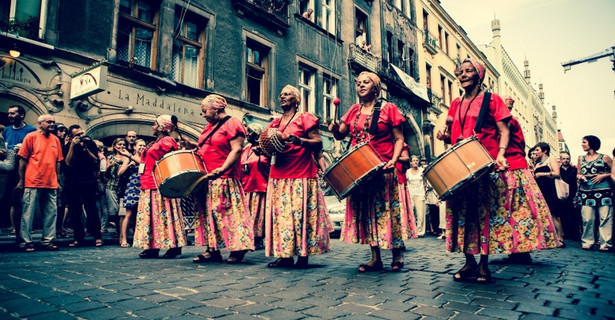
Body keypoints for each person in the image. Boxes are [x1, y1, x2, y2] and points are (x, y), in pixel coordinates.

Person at [435, 59, 557, 282]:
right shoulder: (455, 103)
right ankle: (469, 262)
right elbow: (450, 128)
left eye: (468, 71)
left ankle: (483, 265)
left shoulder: (492, 100)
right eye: (460, 72)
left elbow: (504, 130)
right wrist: (443, 134)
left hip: (485, 165)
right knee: (464, 216)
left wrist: (500, 154)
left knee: (483, 217)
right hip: (461, 166)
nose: (463, 75)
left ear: (479, 76)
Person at [329, 72, 414, 272]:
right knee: (368, 214)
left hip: (383, 168)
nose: (360, 86)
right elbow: (340, 135)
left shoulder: (388, 109)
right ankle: (375, 257)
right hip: (360, 170)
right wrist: (333, 129)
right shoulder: (353, 111)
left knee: (388, 212)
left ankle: (397, 253)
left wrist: (393, 161)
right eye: (358, 83)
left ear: (376, 87)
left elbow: (399, 139)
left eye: (365, 82)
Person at [264, 85, 331, 269]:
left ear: (297, 99)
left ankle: (303, 255)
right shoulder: (274, 123)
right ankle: (284, 255)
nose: (282, 96)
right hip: (278, 175)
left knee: (301, 218)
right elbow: (268, 146)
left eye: (287, 94)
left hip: (301, 175)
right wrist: (260, 148)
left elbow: (317, 142)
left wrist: (299, 140)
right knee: (282, 218)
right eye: (281, 94)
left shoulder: (305, 118)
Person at [185, 94, 254, 264]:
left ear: (216, 108)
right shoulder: (209, 127)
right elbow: (210, 146)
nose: (203, 114)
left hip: (224, 177)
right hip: (207, 177)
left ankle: (239, 247)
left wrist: (222, 169)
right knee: (208, 215)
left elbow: (236, 149)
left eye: (204, 111)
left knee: (228, 214)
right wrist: (193, 146)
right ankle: (212, 250)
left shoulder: (232, 123)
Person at [132, 115, 186, 258]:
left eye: (155, 124)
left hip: (159, 183)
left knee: (165, 215)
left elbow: (171, 160)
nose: (152, 126)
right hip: (148, 182)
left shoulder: (167, 140)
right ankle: (153, 246)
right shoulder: (156, 141)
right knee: (152, 217)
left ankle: (174, 247)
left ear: (162, 127)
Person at [16, 114, 64, 252]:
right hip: (33, 181)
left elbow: (58, 162)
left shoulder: (55, 139)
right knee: (28, 213)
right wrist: (21, 180)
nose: (52, 124)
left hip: (51, 182)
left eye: (53, 122)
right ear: (40, 123)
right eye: (48, 122)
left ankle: (47, 241)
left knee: (51, 213)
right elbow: (22, 159)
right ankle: (26, 241)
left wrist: (57, 180)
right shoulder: (31, 137)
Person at [64, 125, 103, 247]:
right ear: (71, 136)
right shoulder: (66, 146)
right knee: (74, 210)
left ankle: (97, 235)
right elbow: (68, 162)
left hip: (88, 181)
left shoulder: (89, 144)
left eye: (81, 134)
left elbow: (95, 160)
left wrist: (85, 148)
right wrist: (72, 145)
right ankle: (78, 237)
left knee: (91, 209)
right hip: (72, 182)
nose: (81, 137)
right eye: (77, 135)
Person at [2, 105, 36, 239]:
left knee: (24, 199)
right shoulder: (6, 130)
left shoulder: (31, 130)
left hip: (26, 168)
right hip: (9, 168)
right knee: (11, 198)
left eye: (13, 113)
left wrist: (22, 148)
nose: (9, 116)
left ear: (22, 115)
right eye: (9, 113)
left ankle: (25, 227)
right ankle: (14, 228)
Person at [577, 135, 613, 251]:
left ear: (591, 143)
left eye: (584, 142)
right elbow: (577, 173)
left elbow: (614, 172)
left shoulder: (605, 157)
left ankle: (605, 243)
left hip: (604, 191)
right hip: (586, 192)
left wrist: (603, 175)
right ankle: (588, 241)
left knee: (605, 218)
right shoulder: (581, 158)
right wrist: (580, 177)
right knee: (587, 218)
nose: (582, 144)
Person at [240, 123, 270, 250]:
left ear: (257, 134)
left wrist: (264, 152)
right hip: (246, 187)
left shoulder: (266, 148)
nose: (248, 134)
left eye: (251, 131)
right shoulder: (245, 149)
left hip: (260, 187)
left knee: (259, 215)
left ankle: (258, 238)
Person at [533, 142, 564, 247]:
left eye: (537, 150)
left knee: (555, 214)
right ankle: (548, 238)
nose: (535, 152)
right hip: (540, 191)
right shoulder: (537, 163)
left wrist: (542, 174)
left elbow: (556, 173)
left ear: (544, 151)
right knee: (543, 214)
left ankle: (560, 238)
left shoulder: (551, 159)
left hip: (550, 189)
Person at [117, 139, 145, 247]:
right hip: (132, 187)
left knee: (141, 214)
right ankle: (123, 238)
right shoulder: (128, 157)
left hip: (143, 187)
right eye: (140, 145)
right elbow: (119, 173)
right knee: (128, 214)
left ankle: (139, 238)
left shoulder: (145, 158)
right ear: (134, 147)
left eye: (143, 146)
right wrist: (128, 164)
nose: (142, 147)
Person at [559, 151, 580, 241]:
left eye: (567, 159)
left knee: (574, 215)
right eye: (564, 158)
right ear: (560, 160)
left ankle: (574, 234)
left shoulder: (574, 170)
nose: (566, 160)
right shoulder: (558, 170)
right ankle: (566, 233)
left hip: (573, 194)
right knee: (563, 214)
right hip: (562, 194)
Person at [407, 155, 426, 237]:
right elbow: (407, 183)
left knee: (420, 214)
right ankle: (412, 230)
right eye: (413, 160)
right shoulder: (407, 171)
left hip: (420, 193)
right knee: (411, 213)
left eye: (416, 160)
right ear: (411, 163)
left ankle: (420, 231)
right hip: (411, 194)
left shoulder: (422, 170)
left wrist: (425, 193)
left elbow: (425, 182)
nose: (415, 162)